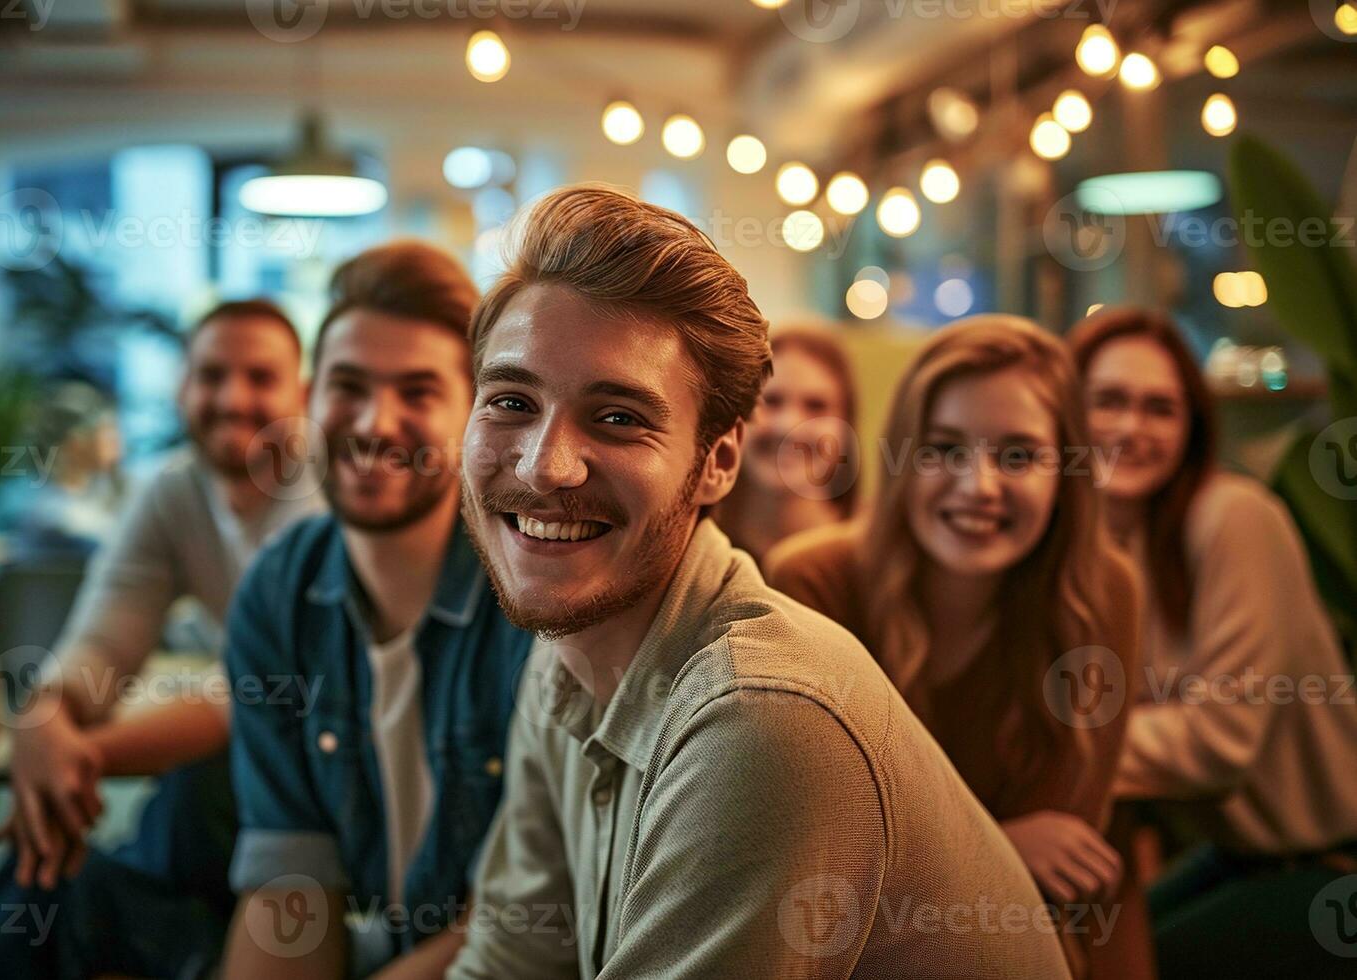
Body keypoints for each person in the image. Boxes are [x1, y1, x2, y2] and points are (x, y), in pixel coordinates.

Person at [445, 186, 1072, 979]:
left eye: (617, 419)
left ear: (718, 463)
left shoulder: (761, 717)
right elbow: (511, 962)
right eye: (510, 401)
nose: (545, 465)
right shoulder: (561, 655)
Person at [0, 299, 325, 980]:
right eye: (211, 375)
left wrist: (73, 757)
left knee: (149, 822)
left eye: (260, 377)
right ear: (181, 388)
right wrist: (45, 713)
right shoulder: (171, 490)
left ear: (302, 392)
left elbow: (255, 694)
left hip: (324, 813)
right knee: (47, 872)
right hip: (227, 804)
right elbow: (101, 643)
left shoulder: (329, 494)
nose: (232, 397)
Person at [766, 315, 1150, 979]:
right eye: (943, 449)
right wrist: (1002, 844)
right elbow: (817, 853)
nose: (979, 485)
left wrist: (939, 851)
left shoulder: (1103, 589)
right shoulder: (813, 579)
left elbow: (1066, 849)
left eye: (1019, 455)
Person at [219, 242, 534, 979]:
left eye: (418, 392)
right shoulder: (277, 592)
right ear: (309, 396)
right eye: (349, 385)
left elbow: (530, 913)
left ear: (473, 415)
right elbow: (287, 882)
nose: (374, 423)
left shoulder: (530, 592)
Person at [1068, 306, 1357, 979]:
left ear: (1190, 427)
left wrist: (1048, 748)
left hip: (1329, 863)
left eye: (1159, 408)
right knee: (1074, 949)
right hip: (1238, 856)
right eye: (1108, 401)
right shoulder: (1094, 548)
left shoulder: (1232, 518)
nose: (1131, 428)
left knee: (1127, 965)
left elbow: (1218, 740)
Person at [711, 324, 859, 561]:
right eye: (772, 401)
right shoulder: (691, 551)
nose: (788, 426)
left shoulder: (874, 557)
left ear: (846, 423)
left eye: (815, 406)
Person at [0, 380, 124, 566]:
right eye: (107, 434)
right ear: (76, 442)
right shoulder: (19, 498)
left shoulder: (104, 490)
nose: (118, 445)